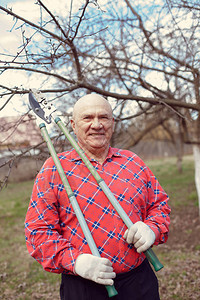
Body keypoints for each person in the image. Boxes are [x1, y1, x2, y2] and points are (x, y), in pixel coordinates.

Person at [25, 94, 171, 300]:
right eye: (87, 118)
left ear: (112, 122)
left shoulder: (133, 162)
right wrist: (76, 262)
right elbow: (37, 232)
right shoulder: (54, 168)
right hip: (84, 288)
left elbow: (160, 206)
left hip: (139, 282)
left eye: (103, 117)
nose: (96, 124)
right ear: (73, 126)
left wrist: (153, 229)